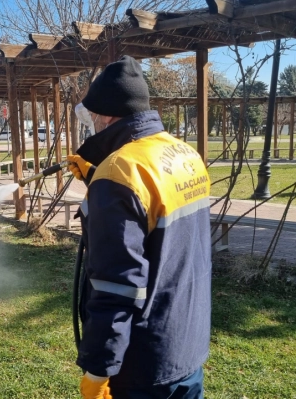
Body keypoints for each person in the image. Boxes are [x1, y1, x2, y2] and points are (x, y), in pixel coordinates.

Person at [67, 55, 212, 399]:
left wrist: (99, 370)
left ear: (107, 114)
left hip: (142, 364)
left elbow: (116, 285)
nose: (93, 125)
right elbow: (156, 222)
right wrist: (95, 177)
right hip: (187, 344)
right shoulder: (184, 154)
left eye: (93, 117)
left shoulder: (118, 174)